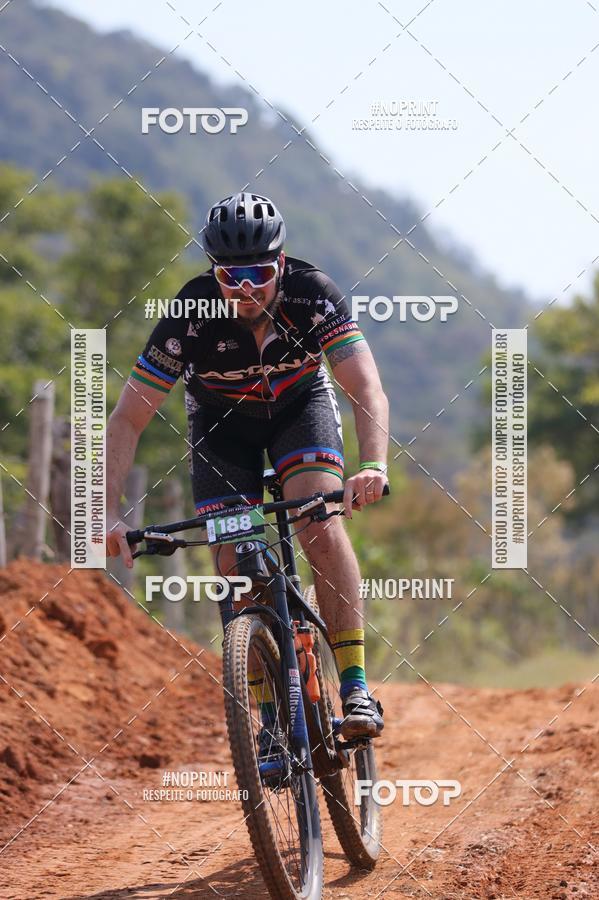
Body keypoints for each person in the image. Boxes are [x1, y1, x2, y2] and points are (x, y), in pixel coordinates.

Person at [105, 192, 389, 743]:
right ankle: (266, 718)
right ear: (213, 271)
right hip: (221, 430)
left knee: (320, 526)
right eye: (229, 275)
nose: (244, 288)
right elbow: (126, 420)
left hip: (298, 411)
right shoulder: (189, 316)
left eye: (258, 273)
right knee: (235, 565)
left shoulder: (314, 296)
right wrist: (109, 511)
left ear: (280, 264)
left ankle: (354, 685)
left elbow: (365, 388)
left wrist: (373, 464)